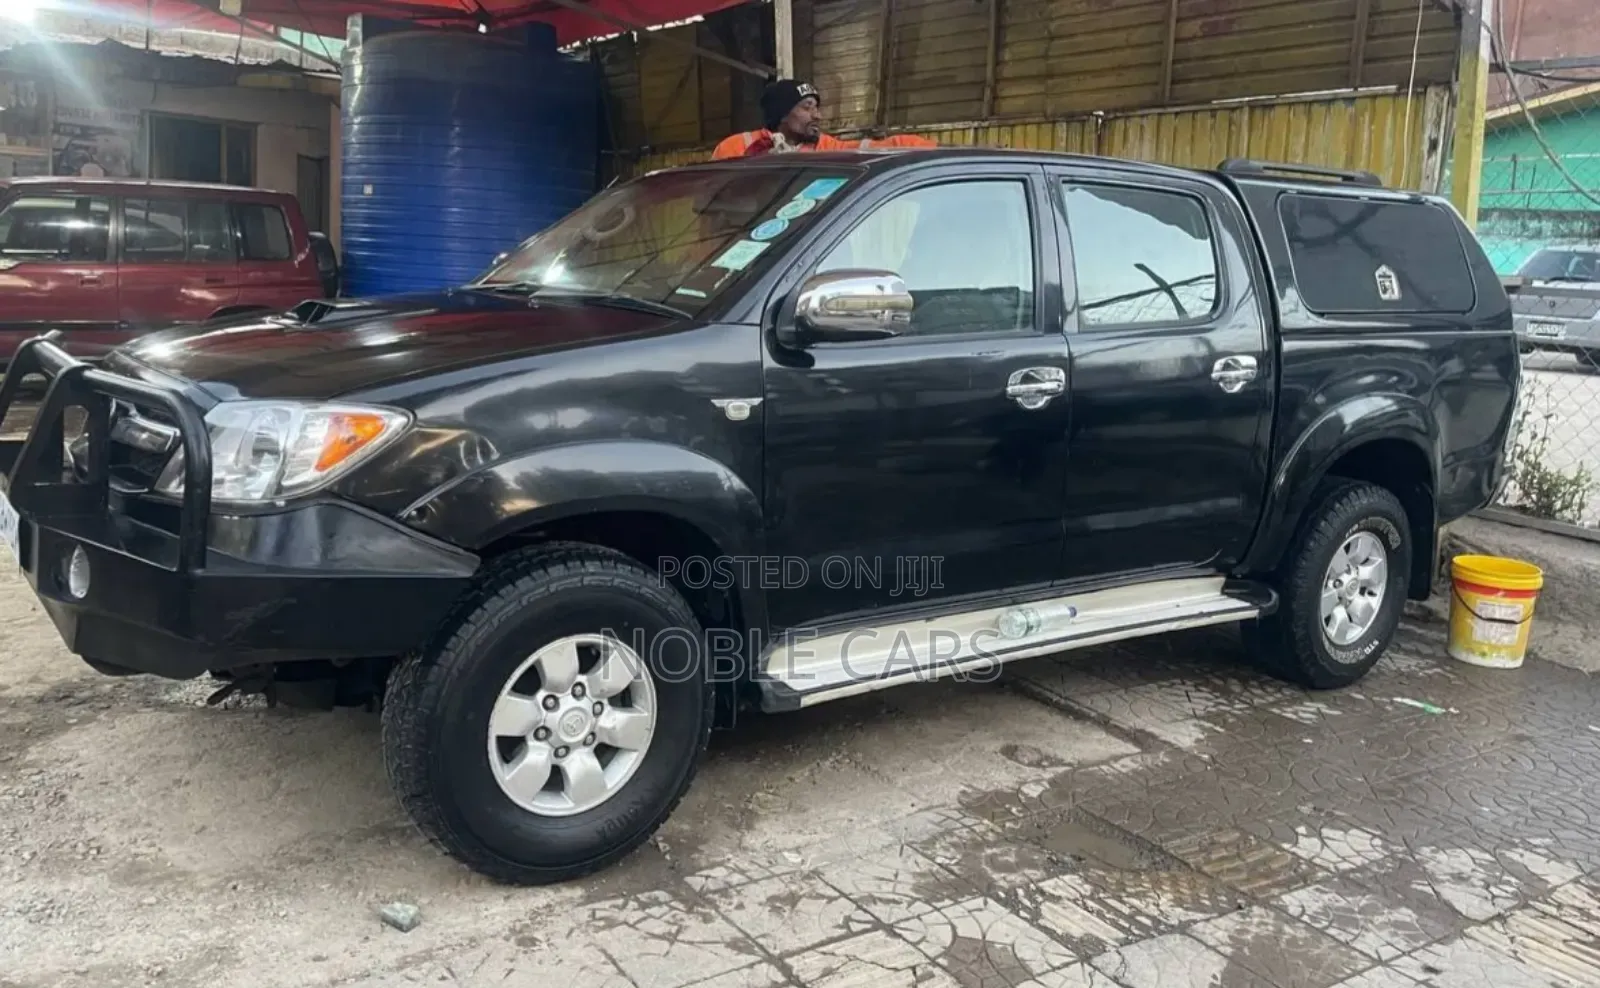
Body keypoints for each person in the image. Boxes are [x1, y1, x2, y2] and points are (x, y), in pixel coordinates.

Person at [712, 79, 936, 160]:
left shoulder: (826, 147)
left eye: (817, 107)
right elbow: (710, 210)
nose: (817, 115)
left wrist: (940, 150)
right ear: (782, 114)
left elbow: (883, 147)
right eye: (807, 107)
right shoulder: (735, 147)